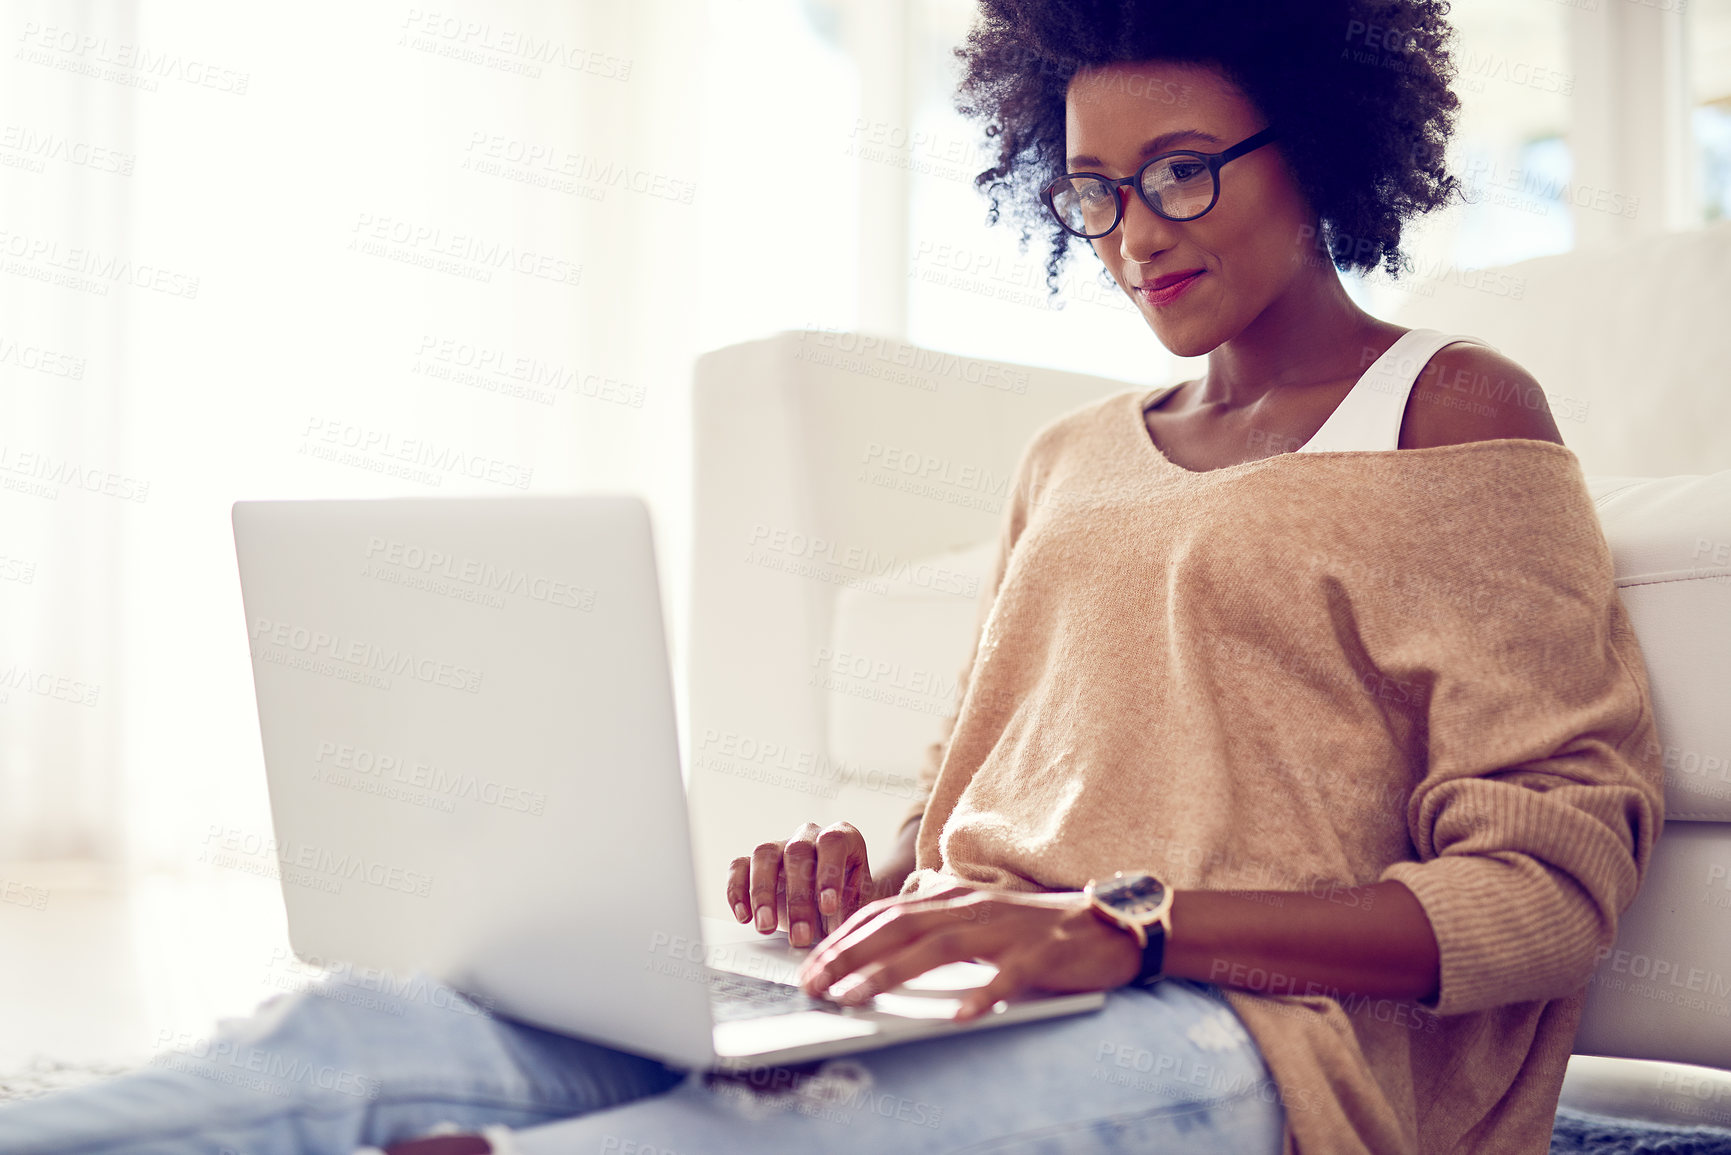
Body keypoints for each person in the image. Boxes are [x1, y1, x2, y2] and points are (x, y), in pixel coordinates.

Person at [0, 1, 1664, 1152]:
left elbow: (1547, 898)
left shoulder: (1447, 412)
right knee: (362, 1037)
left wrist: (1127, 930)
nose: (1137, 230)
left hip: (1262, 1045)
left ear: (1324, 146)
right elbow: (980, 821)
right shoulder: (1074, 453)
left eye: (1182, 168)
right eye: (1092, 188)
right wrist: (863, 882)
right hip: (978, 972)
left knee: (667, 1139)